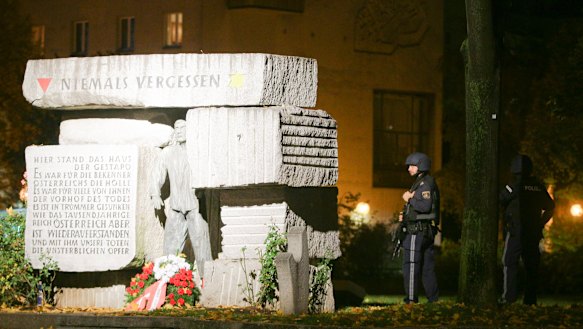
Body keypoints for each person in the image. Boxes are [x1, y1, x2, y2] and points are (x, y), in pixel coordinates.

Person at [150, 119, 212, 277]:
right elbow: (157, 173)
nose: (178, 131)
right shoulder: (168, 152)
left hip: (196, 206)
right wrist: (155, 194)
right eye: (176, 128)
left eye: (182, 127)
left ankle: (207, 282)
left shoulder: (198, 151)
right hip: (176, 207)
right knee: (171, 247)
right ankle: (168, 283)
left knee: (202, 245)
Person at [499, 154, 554, 305]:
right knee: (532, 266)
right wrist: (540, 224)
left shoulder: (513, 185)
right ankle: (530, 300)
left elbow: (501, 198)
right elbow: (550, 207)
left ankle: (508, 298)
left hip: (515, 232)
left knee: (509, 263)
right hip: (532, 233)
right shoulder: (537, 186)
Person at [398, 152, 440, 304]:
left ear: (421, 166)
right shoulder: (423, 181)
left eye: (412, 165)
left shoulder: (424, 184)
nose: (409, 168)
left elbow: (425, 206)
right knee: (427, 267)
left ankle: (410, 299)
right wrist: (406, 215)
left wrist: (409, 198)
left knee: (411, 265)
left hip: (417, 231)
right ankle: (433, 299)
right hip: (425, 230)